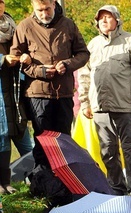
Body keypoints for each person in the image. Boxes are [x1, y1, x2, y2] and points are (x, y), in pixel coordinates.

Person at [78, 5, 131, 198]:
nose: (103, 20)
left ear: (117, 20)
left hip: (126, 106)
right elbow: (84, 75)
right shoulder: (92, 45)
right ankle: (116, 187)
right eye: (100, 18)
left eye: (108, 17)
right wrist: (85, 102)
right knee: (107, 150)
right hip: (100, 108)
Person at [11, 0, 89, 136]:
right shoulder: (24, 26)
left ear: (54, 4)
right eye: (40, 10)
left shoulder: (68, 24)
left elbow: (83, 53)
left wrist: (67, 64)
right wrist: (38, 71)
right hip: (38, 94)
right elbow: (15, 59)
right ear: (33, 6)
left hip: (63, 93)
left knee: (64, 141)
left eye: (47, 9)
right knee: (43, 143)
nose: (44, 14)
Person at [0, 2, 33, 194]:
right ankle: (4, 183)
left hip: (15, 88)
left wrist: (26, 57)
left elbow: (26, 47)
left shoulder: (14, 26)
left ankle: (36, 180)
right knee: (2, 136)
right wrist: (3, 59)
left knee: (22, 132)